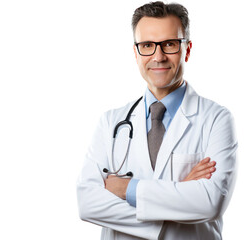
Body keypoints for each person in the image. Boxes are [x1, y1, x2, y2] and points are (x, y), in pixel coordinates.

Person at [77, 2, 237, 239]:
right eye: (147, 45)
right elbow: (88, 203)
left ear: (187, 49)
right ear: (136, 52)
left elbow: (210, 202)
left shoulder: (216, 119)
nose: (158, 56)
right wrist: (181, 195)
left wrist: (126, 189)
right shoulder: (110, 123)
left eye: (169, 44)